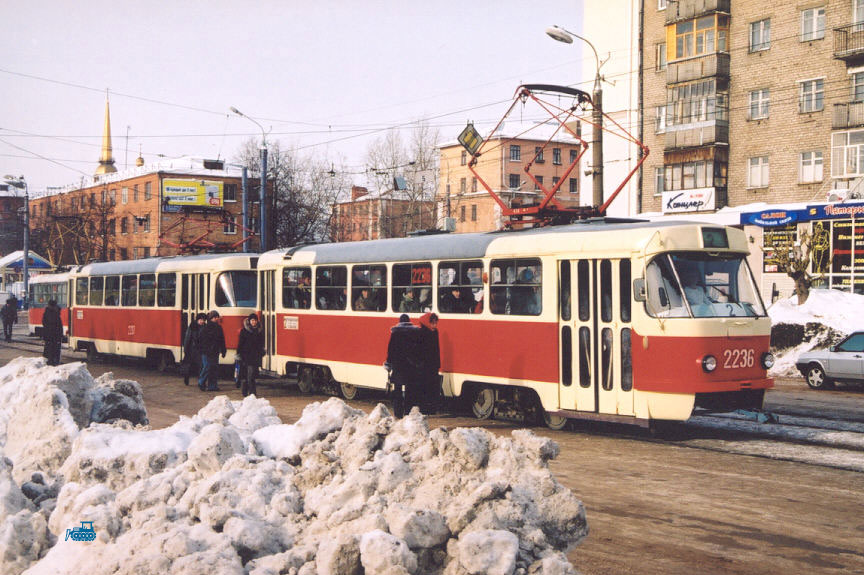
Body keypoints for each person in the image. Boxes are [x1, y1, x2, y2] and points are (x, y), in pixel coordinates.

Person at [385, 313, 420, 418]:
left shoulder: (395, 334)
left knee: (398, 390)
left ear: (399, 322)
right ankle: (408, 412)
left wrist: (388, 364)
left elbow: (390, 351)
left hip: (398, 366)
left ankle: (398, 413)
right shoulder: (415, 333)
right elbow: (418, 351)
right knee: (410, 390)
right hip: (410, 366)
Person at [416, 312, 441, 413]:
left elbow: (436, 349)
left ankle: (431, 408)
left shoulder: (435, 332)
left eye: (435, 323)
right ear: (428, 322)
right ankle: (424, 407)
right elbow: (419, 350)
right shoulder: (421, 332)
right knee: (425, 386)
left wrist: (438, 363)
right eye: (433, 323)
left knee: (432, 386)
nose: (435, 325)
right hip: (424, 364)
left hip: (432, 364)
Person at [237, 313, 265, 397]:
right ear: (249, 321)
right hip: (245, 356)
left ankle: (251, 392)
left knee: (251, 375)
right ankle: (247, 391)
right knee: (246, 375)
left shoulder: (259, 331)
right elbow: (240, 344)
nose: (254, 322)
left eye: (255, 320)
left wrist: (261, 352)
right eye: (252, 320)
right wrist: (239, 354)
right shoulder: (244, 331)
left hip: (255, 356)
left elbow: (261, 344)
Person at [198, 310, 226, 391]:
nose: (217, 319)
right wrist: (203, 349)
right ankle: (201, 382)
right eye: (215, 317)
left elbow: (222, 340)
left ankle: (212, 386)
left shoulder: (219, 328)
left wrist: (223, 350)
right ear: (211, 318)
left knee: (214, 368)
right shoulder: (205, 328)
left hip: (215, 351)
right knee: (207, 367)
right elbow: (200, 341)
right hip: (206, 352)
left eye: (217, 317)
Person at [182, 313, 207, 386]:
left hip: (200, 349)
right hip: (192, 349)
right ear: (197, 320)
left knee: (201, 365)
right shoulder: (192, 326)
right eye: (201, 320)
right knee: (189, 366)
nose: (202, 321)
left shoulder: (205, 327)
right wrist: (186, 349)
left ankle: (201, 382)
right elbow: (187, 338)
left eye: (203, 320)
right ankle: (186, 377)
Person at [41, 299, 63, 366]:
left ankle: (51, 362)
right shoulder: (54, 314)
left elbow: (44, 323)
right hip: (53, 336)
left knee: (49, 350)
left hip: (49, 336)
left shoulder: (47, 313)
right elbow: (57, 325)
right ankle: (52, 362)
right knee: (53, 351)